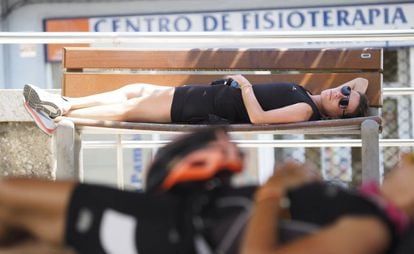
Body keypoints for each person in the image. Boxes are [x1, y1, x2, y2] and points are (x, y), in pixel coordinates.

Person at [0, 128, 412, 254]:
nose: (404, 159)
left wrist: (275, 187)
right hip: (179, 220)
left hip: (169, 233)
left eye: (413, 160)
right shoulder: (369, 211)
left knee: (7, 198)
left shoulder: (370, 234)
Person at [22, 76, 369, 135]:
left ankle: (62, 115)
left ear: (335, 112)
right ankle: (65, 104)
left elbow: (261, 119)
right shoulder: (304, 92)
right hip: (203, 94)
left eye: (343, 104)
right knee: (136, 90)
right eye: (343, 92)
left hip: (204, 109)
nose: (340, 95)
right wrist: (356, 97)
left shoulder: (305, 110)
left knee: (130, 108)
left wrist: (246, 87)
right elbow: (361, 86)